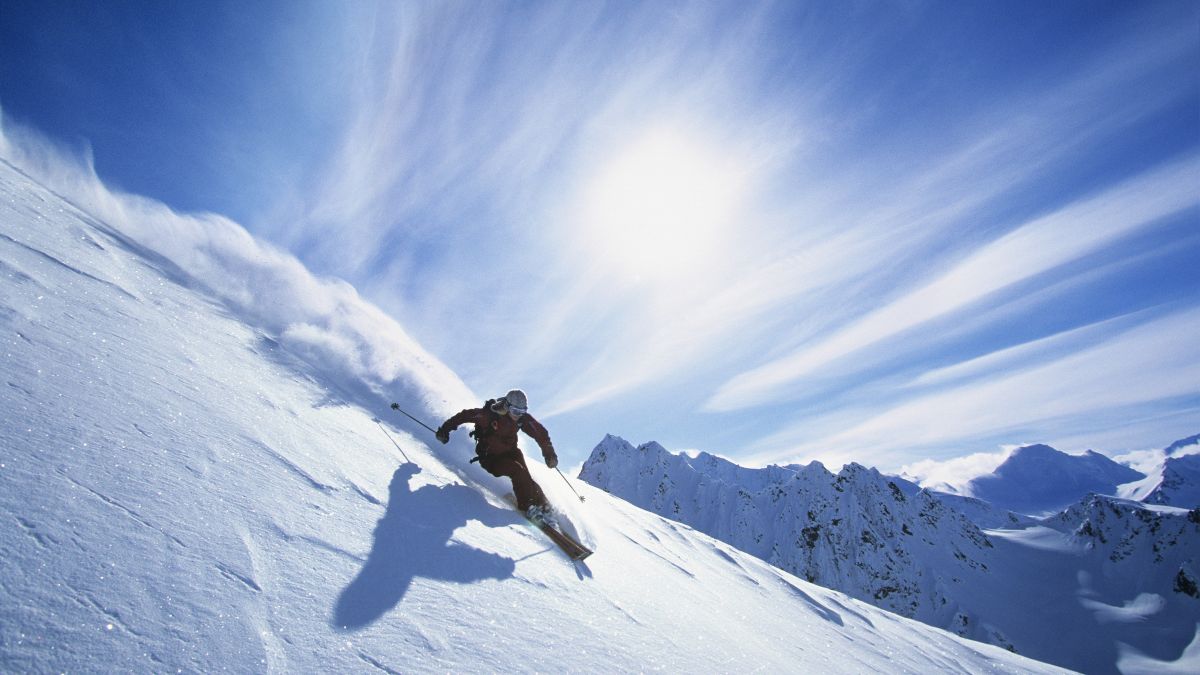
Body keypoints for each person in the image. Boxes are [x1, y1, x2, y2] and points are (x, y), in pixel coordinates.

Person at [435, 389, 559, 523]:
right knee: (517, 471)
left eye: (522, 412)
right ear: (507, 406)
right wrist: (444, 430)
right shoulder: (488, 416)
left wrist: (549, 454)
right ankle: (528, 507)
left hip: (511, 453)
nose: (518, 416)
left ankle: (544, 506)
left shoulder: (521, 419)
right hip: (491, 459)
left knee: (525, 476)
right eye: (516, 412)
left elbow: (540, 433)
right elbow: (464, 416)